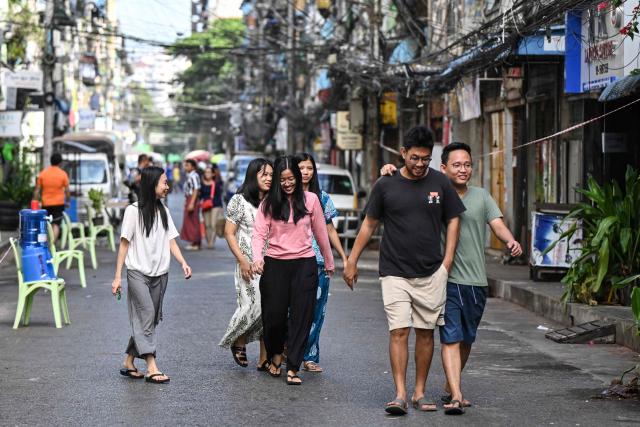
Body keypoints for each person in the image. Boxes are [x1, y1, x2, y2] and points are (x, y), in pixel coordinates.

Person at [381, 142, 523, 415]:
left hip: (476, 282)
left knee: (467, 338)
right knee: (451, 337)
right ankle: (456, 394)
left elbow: (496, 223)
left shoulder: (481, 196)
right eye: (456, 165)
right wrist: (389, 170)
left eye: (467, 164)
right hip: (445, 278)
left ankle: (450, 384)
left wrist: (511, 240)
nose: (463, 170)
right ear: (443, 168)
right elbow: (406, 180)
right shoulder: (435, 192)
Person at [343, 126, 465, 415]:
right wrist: (352, 260)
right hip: (394, 271)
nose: (420, 164)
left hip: (431, 272)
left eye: (426, 158)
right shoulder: (385, 184)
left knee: (425, 333)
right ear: (402, 154)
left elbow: (454, 220)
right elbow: (369, 224)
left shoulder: (440, 182)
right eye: (414, 158)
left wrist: (446, 262)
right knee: (399, 330)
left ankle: (419, 392)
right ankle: (399, 393)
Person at [251, 155, 335, 386]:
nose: (287, 183)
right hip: (275, 265)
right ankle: (276, 352)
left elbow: (321, 233)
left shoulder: (311, 200)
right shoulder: (268, 203)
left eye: (291, 179)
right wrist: (257, 259)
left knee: (301, 317)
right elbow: (259, 235)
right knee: (274, 317)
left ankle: (294, 366)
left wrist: (329, 262)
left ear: (297, 178)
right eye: (283, 179)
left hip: (304, 264)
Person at [111, 166, 192, 384]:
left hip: (160, 275)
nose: (167, 186)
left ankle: (129, 361)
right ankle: (151, 366)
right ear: (151, 185)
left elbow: (171, 240)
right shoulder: (132, 211)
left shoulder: (163, 211)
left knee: (150, 319)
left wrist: (183, 262)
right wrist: (118, 276)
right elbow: (124, 245)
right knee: (146, 315)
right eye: (164, 182)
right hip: (137, 273)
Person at [294, 153, 350, 373]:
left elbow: (328, 229)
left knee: (316, 311)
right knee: (291, 310)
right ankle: (288, 352)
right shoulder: (286, 196)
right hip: (292, 260)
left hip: (317, 263)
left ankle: (309, 356)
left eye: (309, 168)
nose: (305, 172)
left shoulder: (322, 197)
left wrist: (343, 257)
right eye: (301, 168)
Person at [219, 158, 273, 370]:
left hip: (270, 261)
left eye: (271, 175)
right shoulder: (238, 201)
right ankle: (238, 339)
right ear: (253, 176)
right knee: (254, 304)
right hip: (247, 263)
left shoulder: (273, 201)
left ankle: (264, 357)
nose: (269, 179)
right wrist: (242, 261)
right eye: (264, 175)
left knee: (270, 308)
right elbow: (229, 233)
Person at [33, 153, 70, 243]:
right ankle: (51, 244)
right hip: (58, 203)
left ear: (51, 161)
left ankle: (46, 243)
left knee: (46, 224)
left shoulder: (43, 173)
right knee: (56, 224)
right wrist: (68, 201)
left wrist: (35, 201)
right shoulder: (63, 174)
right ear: (60, 163)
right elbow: (67, 190)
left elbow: (37, 190)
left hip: (46, 203)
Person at [180, 159, 201, 250]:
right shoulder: (190, 176)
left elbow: (196, 189)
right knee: (190, 220)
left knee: (193, 221)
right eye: (185, 165)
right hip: (189, 198)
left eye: (187, 165)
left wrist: (192, 202)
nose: (186, 167)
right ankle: (194, 242)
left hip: (192, 199)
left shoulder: (194, 176)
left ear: (192, 166)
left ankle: (195, 242)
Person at [200, 166, 223, 249]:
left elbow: (219, 196)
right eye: (206, 172)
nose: (207, 174)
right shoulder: (202, 184)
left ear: (213, 174)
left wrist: (221, 207)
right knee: (207, 225)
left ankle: (211, 243)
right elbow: (200, 196)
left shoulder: (217, 183)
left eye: (209, 172)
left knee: (213, 224)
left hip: (215, 205)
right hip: (206, 205)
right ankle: (208, 240)